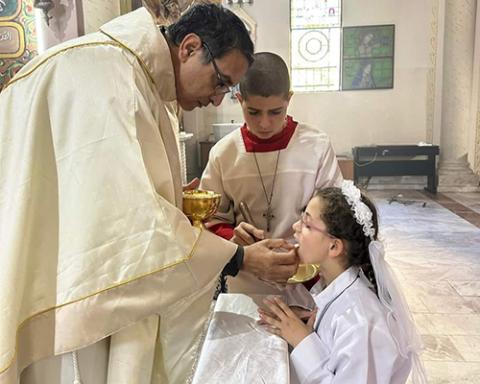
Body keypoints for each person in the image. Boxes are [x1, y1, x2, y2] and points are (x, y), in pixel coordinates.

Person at [0, 5, 299, 384]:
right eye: (220, 81)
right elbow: (130, 226)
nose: (218, 99)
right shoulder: (109, 78)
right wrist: (238, 258)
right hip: (71, 287)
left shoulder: (130, 74)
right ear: (189, 47)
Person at [200, 52, 343, 294]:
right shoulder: (223, 154)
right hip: (247, 277)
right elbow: (211, 221)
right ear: (239, 98)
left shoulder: (316, 146)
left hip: (308, 275)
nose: (264, 123)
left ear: (289, 99)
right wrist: (234, 237)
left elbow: (336, 216)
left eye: (275, 111)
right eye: (253, 112)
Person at [258, 181, 427, 384]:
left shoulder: (362, 323)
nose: (295, 228)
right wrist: (309, 322)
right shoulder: (339, 291)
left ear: (334, 247)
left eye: (307, 224)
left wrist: (302, 340)